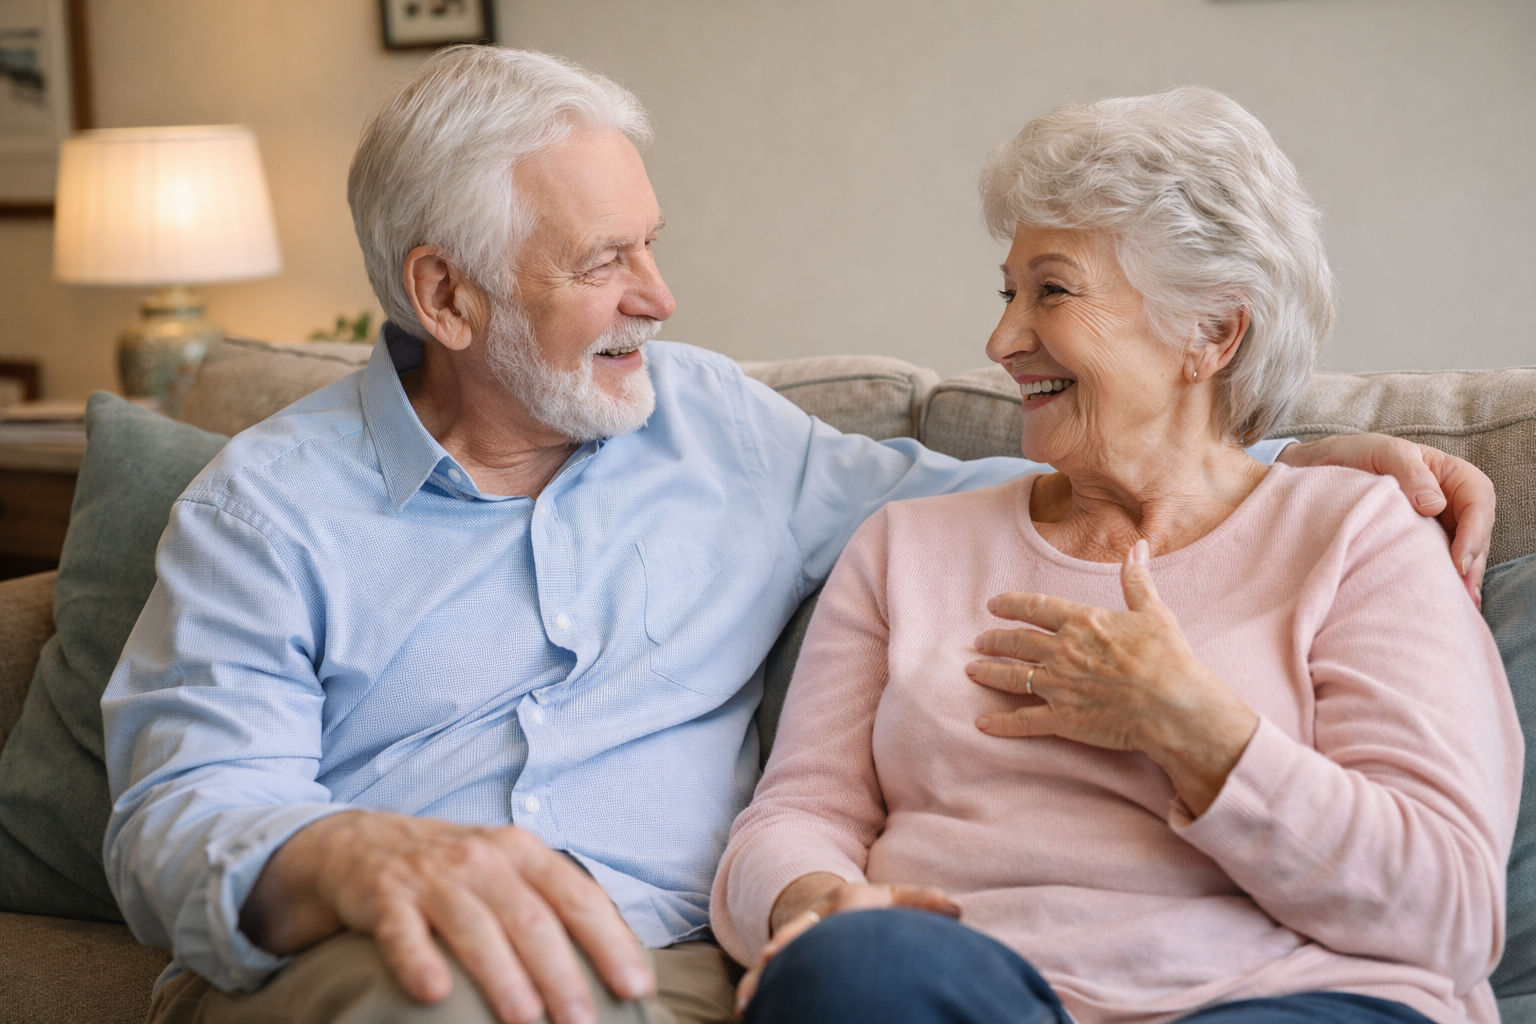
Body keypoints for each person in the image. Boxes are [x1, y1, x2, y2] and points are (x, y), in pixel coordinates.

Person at [101, 48, 1494, 1024]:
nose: (662, 295)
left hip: (672, 974)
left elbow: (1045, 502)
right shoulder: (268, 508)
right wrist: (348, 855)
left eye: (650, 242)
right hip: (398, 962)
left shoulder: (722, 429)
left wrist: (1291, 462)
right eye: (604, 264)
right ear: (445, 298)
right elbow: (176, 811)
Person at [714, 87, 1520, 1024]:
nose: (1002, 340)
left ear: (1213, 333)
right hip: (965, 989)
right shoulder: (907, 547)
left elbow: (1451, 911)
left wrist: (1191, 725)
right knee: (855, 970)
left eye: (1052, 291)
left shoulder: (1359, 537)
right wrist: (813, 904)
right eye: (1008, 291)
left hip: (1283, 996)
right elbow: (796, 816)